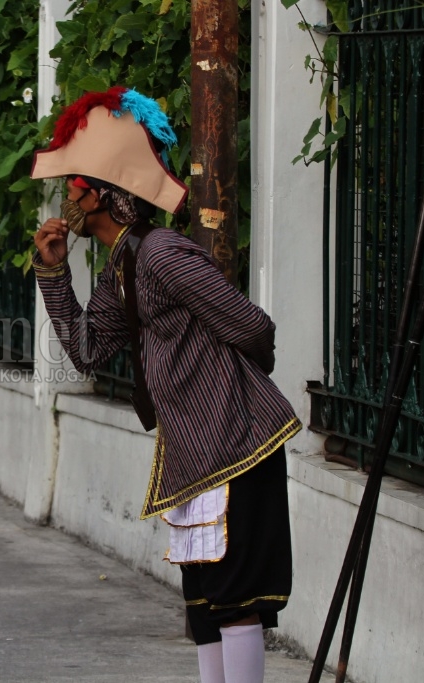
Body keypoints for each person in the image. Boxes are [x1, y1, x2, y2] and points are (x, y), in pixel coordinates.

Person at [29, 87, 302, 683]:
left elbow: (252, 326)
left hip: (238, 445)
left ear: (102, 194)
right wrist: (53, 271)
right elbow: (86, 348)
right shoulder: (122, 265)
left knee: (236, 603)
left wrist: (228, 384)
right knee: (205, 607)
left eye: (74, 183)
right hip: (194, 454)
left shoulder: (162, 254)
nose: (66, 196)